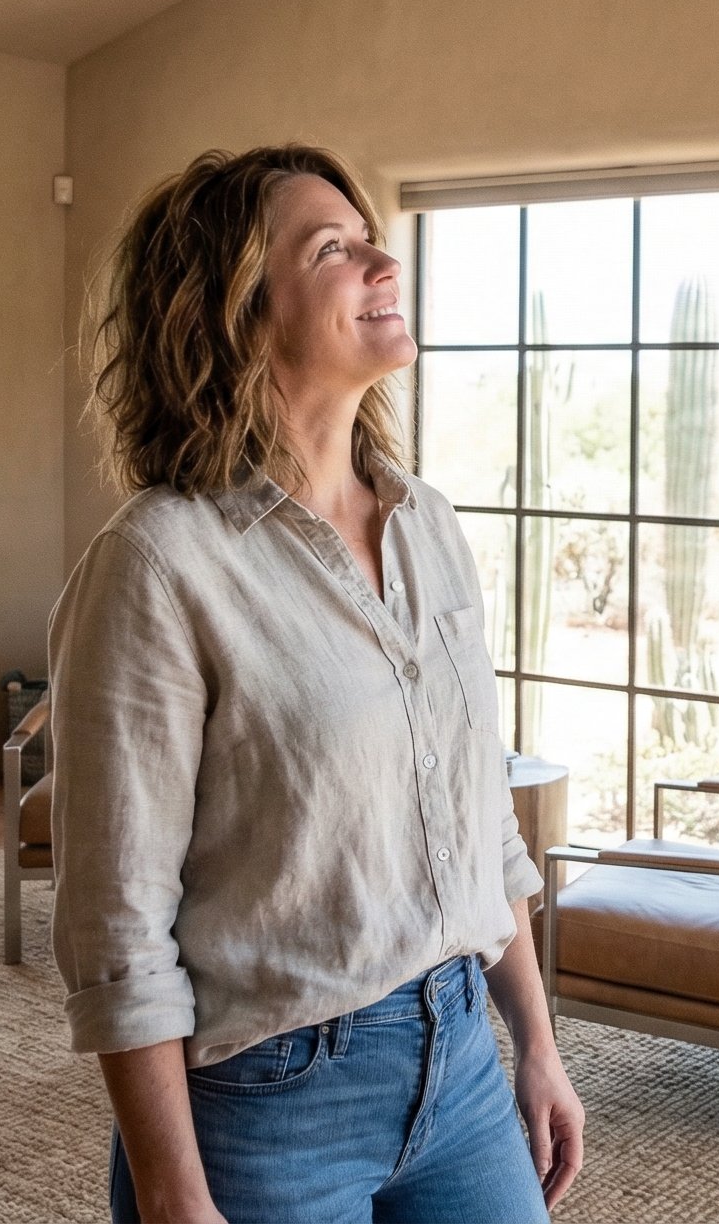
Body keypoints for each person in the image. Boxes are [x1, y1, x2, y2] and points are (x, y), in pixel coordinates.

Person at [50, 144, 583, 1223]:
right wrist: (171, 1193)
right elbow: (116, 923)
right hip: (265, 1104)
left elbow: (480, 822)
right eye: (333, 248)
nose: (384, 262)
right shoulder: (159, 560)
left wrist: (534, 1041)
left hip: (460, 1064)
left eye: (369, 235)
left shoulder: (426, 523)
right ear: (237, 311)